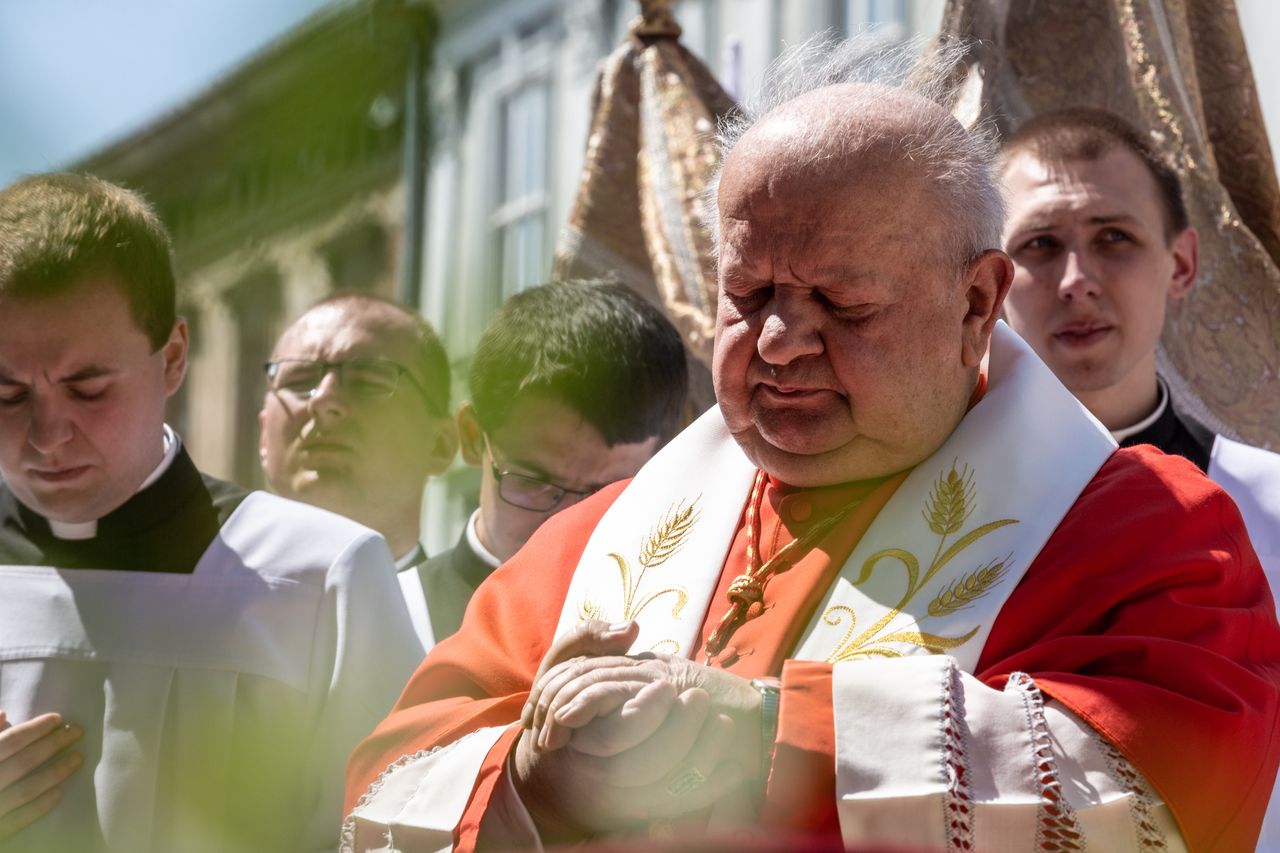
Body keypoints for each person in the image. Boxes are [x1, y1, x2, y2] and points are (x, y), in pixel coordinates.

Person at [342, 39, 1280, 852]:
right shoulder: (599, 537)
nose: (783, 341)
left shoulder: (1149, 532)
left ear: (977, 302)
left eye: (843, 302)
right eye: (749, 296)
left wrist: (767, 736)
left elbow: (1149, 803)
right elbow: (384, 786)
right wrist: (527, 774)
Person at [0, 172, 424, 851]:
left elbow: (402, 831)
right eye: (7, 393)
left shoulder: (319, 575)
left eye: (87, 388)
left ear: (171, 358)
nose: (47, 435)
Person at [999, 105, 1280, 849]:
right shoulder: (923, 517)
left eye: (1113, 238)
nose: (1077, 279)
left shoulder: (1276, 507)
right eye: (1040, 245)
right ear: (984, 282)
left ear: (1180, 263)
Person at [413, 280, 687, 643]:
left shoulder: (688, 621)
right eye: (533, 482)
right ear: (472, 437)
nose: (567, 526)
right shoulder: (385, 620)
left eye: (607, 495)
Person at [260, 293, 457, 647]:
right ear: (263, 435)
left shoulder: (481, 637)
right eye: (299, 380)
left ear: (441, 443)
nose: (323, 400)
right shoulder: (194, 617)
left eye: (368, 381)